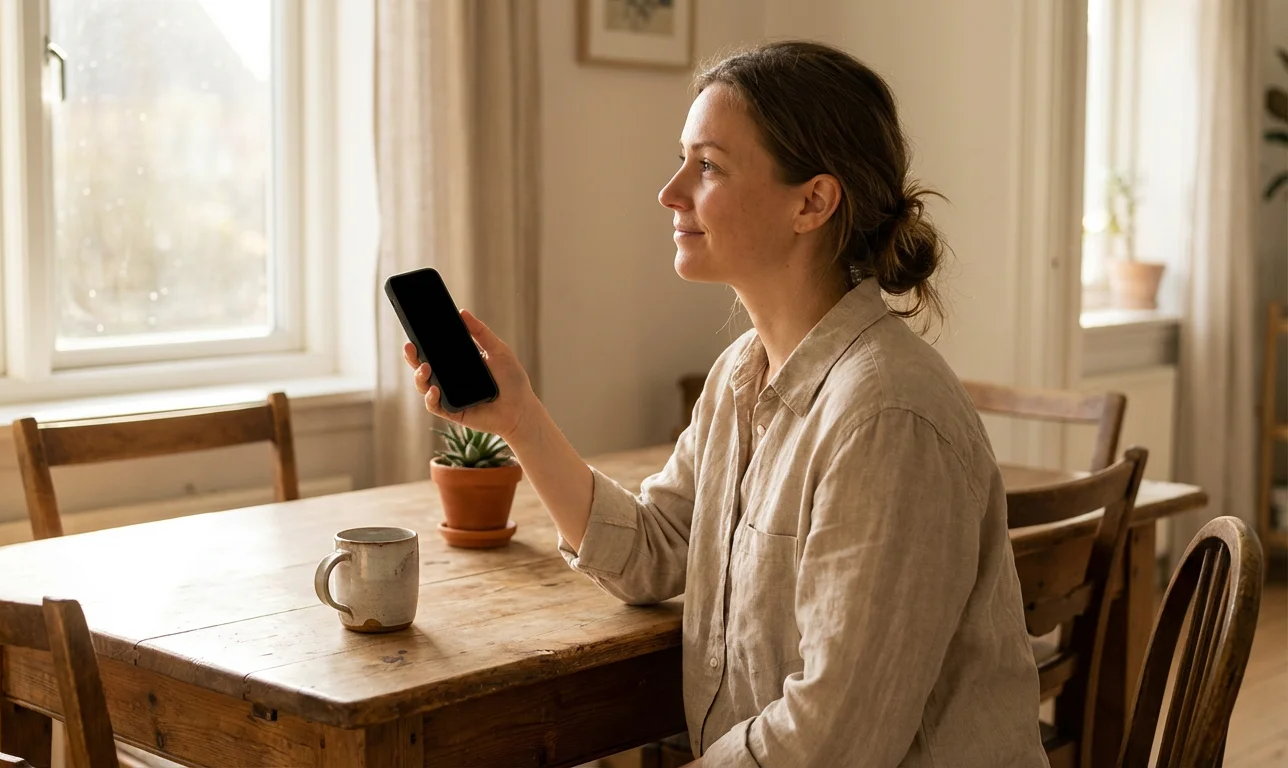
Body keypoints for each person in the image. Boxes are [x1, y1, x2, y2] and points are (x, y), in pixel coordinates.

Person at [404, 40, 1047, 767]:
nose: (670, 191)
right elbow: (651, 552)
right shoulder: (741, 375)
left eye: (707, 166)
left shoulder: (886, 418)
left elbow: (835, 742)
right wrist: (518, 418)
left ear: (812, 201)